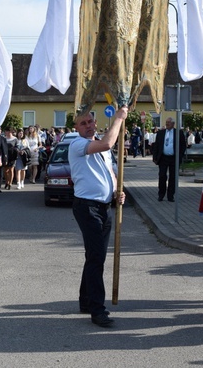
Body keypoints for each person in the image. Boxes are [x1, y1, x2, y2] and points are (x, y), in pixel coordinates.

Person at [69, 104, 128, 328]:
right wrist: (120, 118)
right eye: (82, 123)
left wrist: (116, 191)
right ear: (76, 127)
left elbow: (109, 173)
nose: (87, 126)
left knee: (95, 256)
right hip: (87, 208)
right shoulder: (77, 143)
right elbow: (107, 142)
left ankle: (86, 301)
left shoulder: (99, 148)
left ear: (95, 123)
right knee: (96, 258)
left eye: (90, 122)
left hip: (104, 207)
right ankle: (97, 309)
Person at [151, 118, 186, 202]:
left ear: (173, 124)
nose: (167, 124)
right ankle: (161, 194)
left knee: (173, 177)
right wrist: (155, 157)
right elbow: (156, 146)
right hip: (163, 158)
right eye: (166, 122)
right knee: (162, 176)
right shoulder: (161, 133)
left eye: (169, 123)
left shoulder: (178, 133)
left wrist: (180, 156)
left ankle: (170, 196)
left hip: (174, 158)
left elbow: (183, 145)